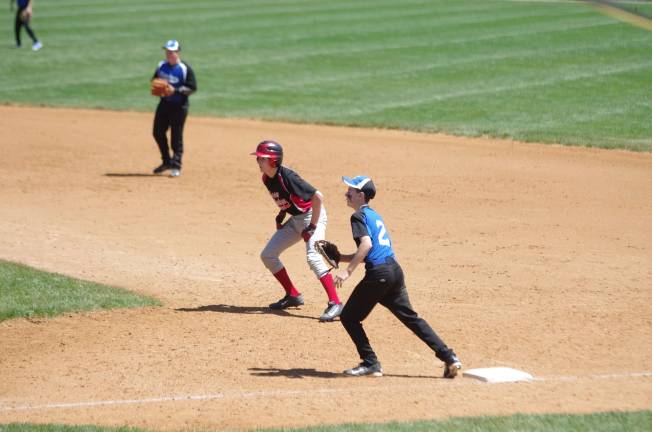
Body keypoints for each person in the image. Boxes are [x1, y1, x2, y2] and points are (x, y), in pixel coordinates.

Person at [334, 175, 462, 377]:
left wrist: (347, 271)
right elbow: (370, 250)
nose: (346, 193)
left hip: (379, 275)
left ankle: (370, 363)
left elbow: (366, 246)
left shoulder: (357, 217)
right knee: (412, 318)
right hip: (393, 272)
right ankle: (449, 357)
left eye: (350, 190)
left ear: (360, 195)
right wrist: (341, 257)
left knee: (349, 317)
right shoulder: (374, 216)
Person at [252, 140, 343, 322]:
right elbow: (289, 199)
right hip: (296, 219)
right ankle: (293, 295)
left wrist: (313, 226)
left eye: (262, 158)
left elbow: (318, 198)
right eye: (258, 158)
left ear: (273, 160)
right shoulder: (266, 178)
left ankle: (336, 303)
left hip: (312, 216)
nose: (258, 161)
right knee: (268, 255)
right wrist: (281, 214)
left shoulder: (289, 177)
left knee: (313, 257)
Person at [151, 39, 197, 178]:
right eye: (167, 51)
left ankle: (176, 165)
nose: (169, 54)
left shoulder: (184, 68)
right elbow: (154, 80)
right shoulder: (161, 66)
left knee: (176, 137)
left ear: (177, 53)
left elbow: (192, 88)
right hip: (164, 104)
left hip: (179, 107)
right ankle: (166, 161)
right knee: (157, 132)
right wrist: (159, 86)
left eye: (172, 52)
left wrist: (175, 90)